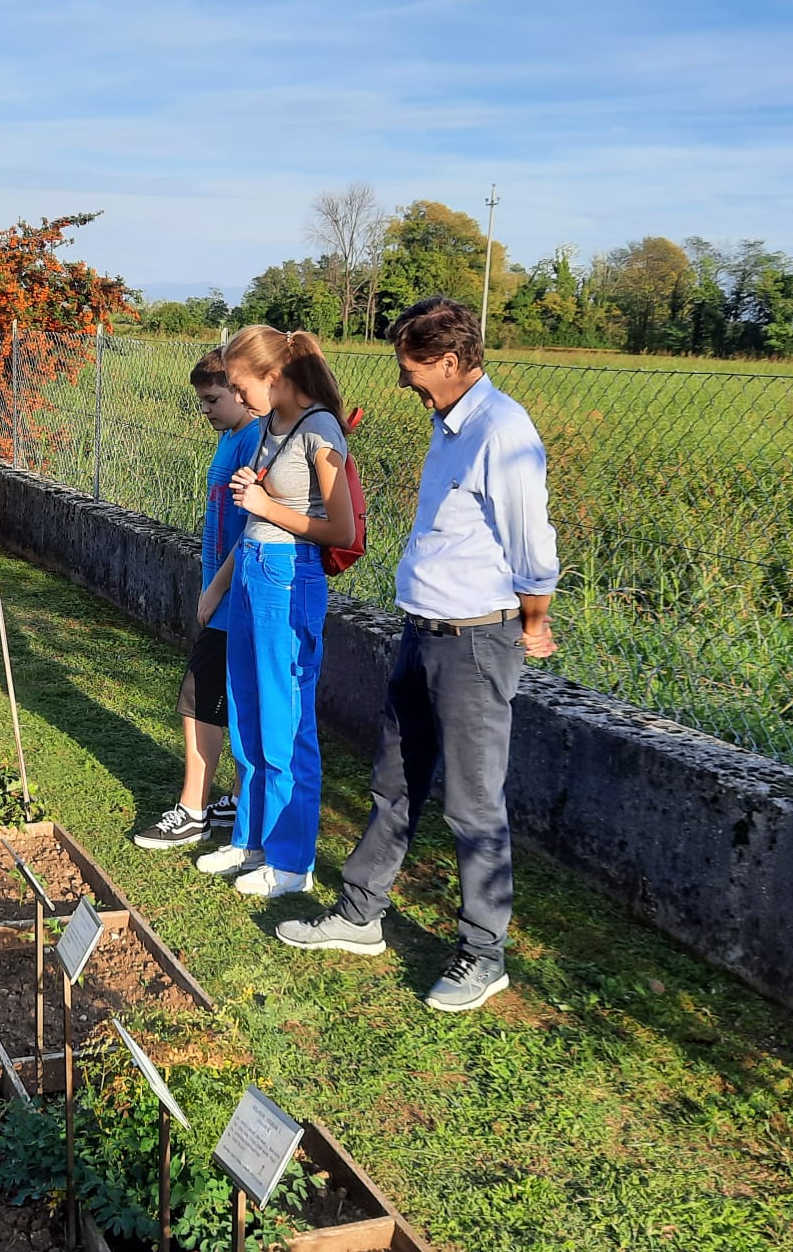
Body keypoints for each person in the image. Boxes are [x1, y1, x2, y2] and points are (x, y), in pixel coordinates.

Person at [276, 296, 559, 1013]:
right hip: (424, 632)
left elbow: (533, 544)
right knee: (394, 781)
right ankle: (360, 914)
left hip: (476, 641)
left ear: (454, 361)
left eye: (413, 368)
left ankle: (482, 954)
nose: (405, 381)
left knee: (472, 803)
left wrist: (535, 621)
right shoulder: (449, 423)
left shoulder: (503, 430)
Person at [194, 325, 356, 897]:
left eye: (241, 385)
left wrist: (264, 503)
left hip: (290, 579)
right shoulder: (269, 427)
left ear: (273, 377)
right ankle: (250, 840)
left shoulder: (321, 430)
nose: (237, 398)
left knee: (286, 725)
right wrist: (220, 582)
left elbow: (341, 528)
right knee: (246, 715)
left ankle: (292, 862)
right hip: (251, 573)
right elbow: (258, 516)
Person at [133, 350, 263, 850]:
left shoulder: (254, 440)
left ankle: (193, 810)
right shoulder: (232, 436)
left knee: (199, 700)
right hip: (223, 594)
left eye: (212, 399)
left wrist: (216, 587)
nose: (204, 410)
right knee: (216, 697)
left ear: (241, 389)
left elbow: (253, 528)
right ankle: (231, 800)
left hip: (234, 599)